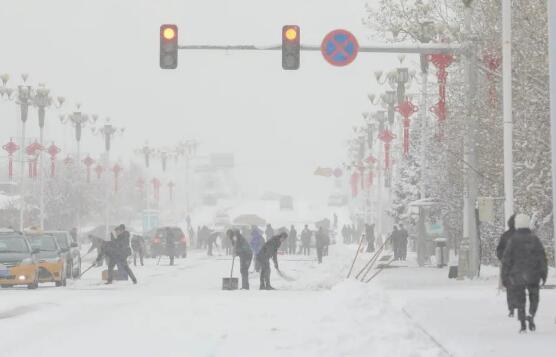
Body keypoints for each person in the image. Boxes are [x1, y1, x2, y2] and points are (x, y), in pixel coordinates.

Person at [502, 214, 548, 333]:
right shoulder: (535, 239)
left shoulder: (513, 240)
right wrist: (544, 274)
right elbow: (542, 258)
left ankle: (522, 323)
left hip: (517, 275)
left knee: (520, 299)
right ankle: (531, 314)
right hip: (534, 274)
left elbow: (507, 259)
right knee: (534, 297)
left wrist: (505, 276)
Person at [497, 214, 516, 317]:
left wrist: (502, 258)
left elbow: (499, 250)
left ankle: (512, 308)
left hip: (508, 265)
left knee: (510, 287)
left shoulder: (505, 235)